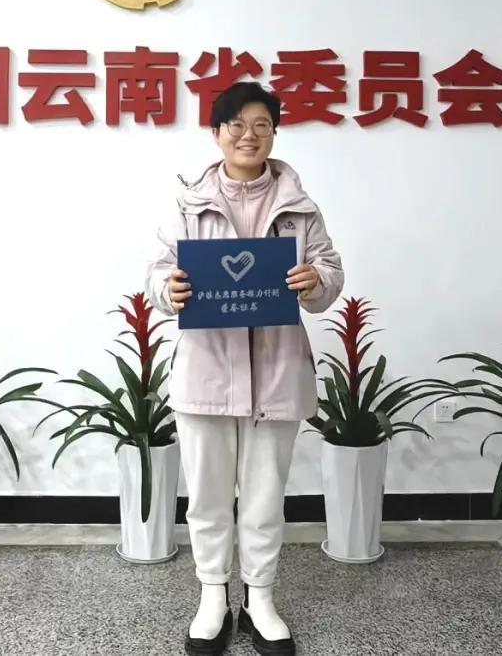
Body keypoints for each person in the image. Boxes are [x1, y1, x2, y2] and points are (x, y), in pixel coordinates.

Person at [147, 82, 344, 656]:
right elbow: (157, 271)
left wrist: (316, 280)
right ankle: (213, 597)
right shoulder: (189, 204)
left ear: (274, 133)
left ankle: (260, 599)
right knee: (208, 497)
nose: (248, 135)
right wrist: (168, 288)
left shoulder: (300, 207)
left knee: (263, 498)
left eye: (261, 124)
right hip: (207, 372)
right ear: (216, 133)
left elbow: (329, 271)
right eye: (235, 124)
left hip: (277, 373)